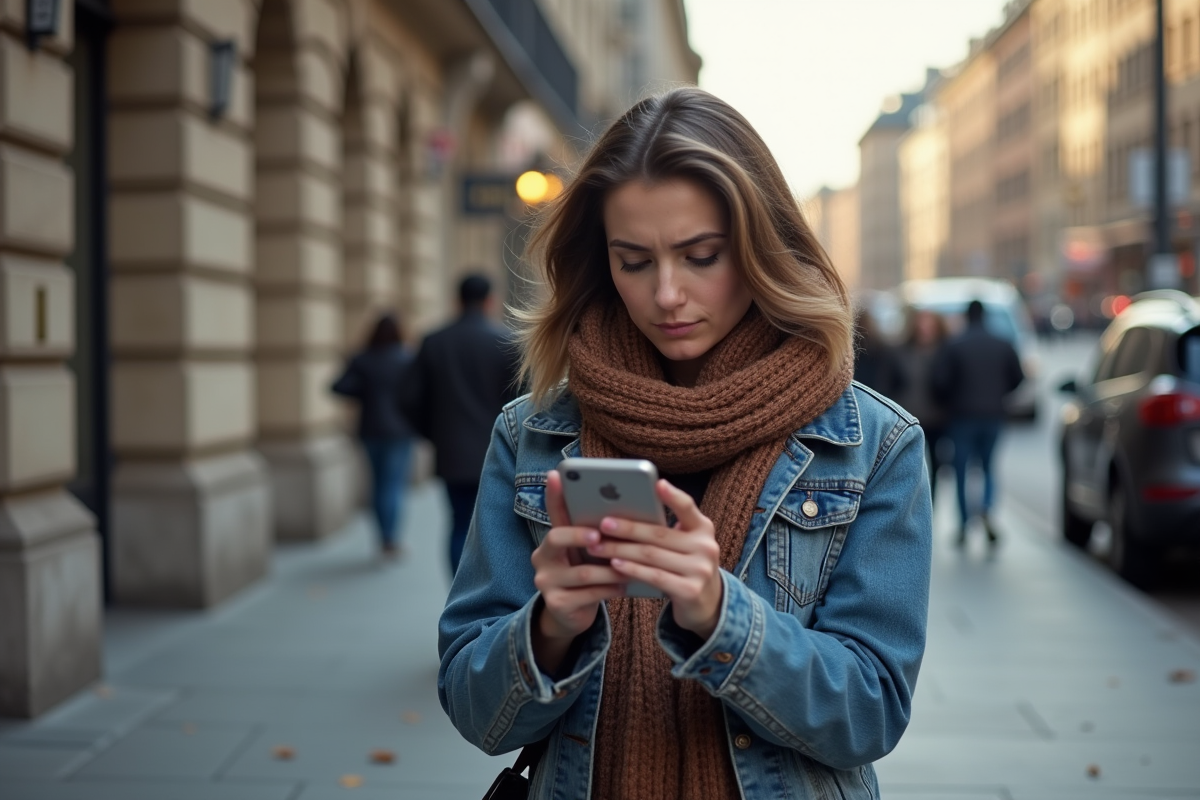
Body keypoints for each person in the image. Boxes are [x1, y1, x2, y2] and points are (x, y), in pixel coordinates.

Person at [437, 88, 933, 799]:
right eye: (634, 260)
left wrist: (719, 614)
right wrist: (550, 627)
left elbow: (870, 712)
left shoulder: (875, 445)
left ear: (762, 246)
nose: (667, 293)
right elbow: (474, 709)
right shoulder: (533, 433)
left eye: (701, 255)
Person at [402, 274, 519, 575]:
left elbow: (409, 399)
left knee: (458, 522)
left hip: (451, 450)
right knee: (495, 526)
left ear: (457, 301)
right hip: (499, 451)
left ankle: (458, 595)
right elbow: (523, 400)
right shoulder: (506, 341)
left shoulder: (434, 342)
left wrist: (434, 434)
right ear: (491, 301)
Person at [931, 299, 1025, 545]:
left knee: (961, 470)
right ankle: (986, 507)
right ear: (985, 317)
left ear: (966, 317)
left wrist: (950, 399)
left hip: (961, 416)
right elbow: (1019, 377)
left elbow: (940, 381)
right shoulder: (1003, 344)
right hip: (993, 414)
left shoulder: (954, 345)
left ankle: (964, 523)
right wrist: (999, 394)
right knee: (988, 466)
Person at [331, 313, 416, 558]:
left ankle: (382, 538)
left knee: (378, 484)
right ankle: (391, 540)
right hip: (400, 430)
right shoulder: (406, 358)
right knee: (394, 484)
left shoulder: (363, 359)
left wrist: (364, 390)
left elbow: (338, 386)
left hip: (370, 429)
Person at [894, 308, 950, 505]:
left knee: (935, 467)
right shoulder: (902, 351)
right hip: (908, 418)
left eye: (930, 325)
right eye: (922, 324)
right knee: (909, 467)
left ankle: (930, 506)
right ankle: (909, 506)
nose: (925, 329)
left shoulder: (945, 351)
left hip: (936, 418)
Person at [853, 306, 907, 399]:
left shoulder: (852, 350)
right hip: (880, 396)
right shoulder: (884, 348)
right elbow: (899, 380)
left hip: (860, 396)